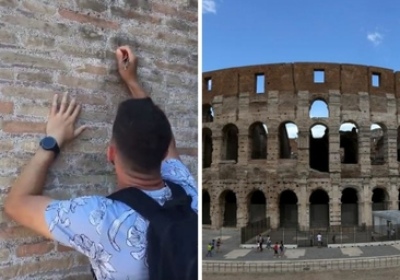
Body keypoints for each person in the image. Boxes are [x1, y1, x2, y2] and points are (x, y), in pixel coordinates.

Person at [4, 46, 198, 280]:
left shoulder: (99, 218)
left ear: (110, 154)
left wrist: (52, 141)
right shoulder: (187, 189)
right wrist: (133, 81)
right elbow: (167, 141)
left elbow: (17, 204)